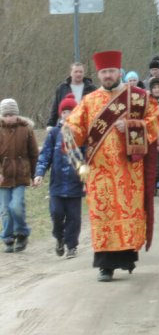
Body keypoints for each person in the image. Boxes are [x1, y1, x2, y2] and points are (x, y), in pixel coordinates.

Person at [65, 50, 159, 282]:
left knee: (128, 211)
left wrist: (130, 126)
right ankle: (105, 266)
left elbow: (155, 122)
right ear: (99, 74)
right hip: (99, 171)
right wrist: (69, 130)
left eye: (111, 71)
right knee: (102, 215)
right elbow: (76, 128)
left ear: (119, 71)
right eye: (103, 72)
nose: (108, 75)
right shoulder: (89, 101)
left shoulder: (137, 97)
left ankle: (127, 258)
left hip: (129, 170)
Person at [34, 94, 85, 258]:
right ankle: (60, 238)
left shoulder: (81, 133)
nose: (67, 114)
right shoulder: (54, 133)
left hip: (75, 184)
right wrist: (39, 173)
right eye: (65, 111)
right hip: (56, 185)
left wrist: (87, 179)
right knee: (56, 215)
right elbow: (45, 155)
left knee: (74, 218)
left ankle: (71, 246)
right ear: (60, 113)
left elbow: (87, 157)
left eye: (71, 111)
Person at [0, 98, 39, 253]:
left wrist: (36, 175)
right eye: (6, 115)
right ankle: (8, 237)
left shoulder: (26, 129)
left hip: (21, 176)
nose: (9, 117)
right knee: (5, 209)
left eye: (12, 114)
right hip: (3, 177)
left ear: (17, 114)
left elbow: (34, 154)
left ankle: (22, 233)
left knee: (16, 206)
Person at [47, 62, 97, 130]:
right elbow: (55, 108)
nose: (78, 74)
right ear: (71, 73)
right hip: (65, 125)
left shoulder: (92, 88)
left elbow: (96, 108)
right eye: (76, 72)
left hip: (85, 125)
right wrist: (50, 125)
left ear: (84, 73)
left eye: (81, 72)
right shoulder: (62, 88)